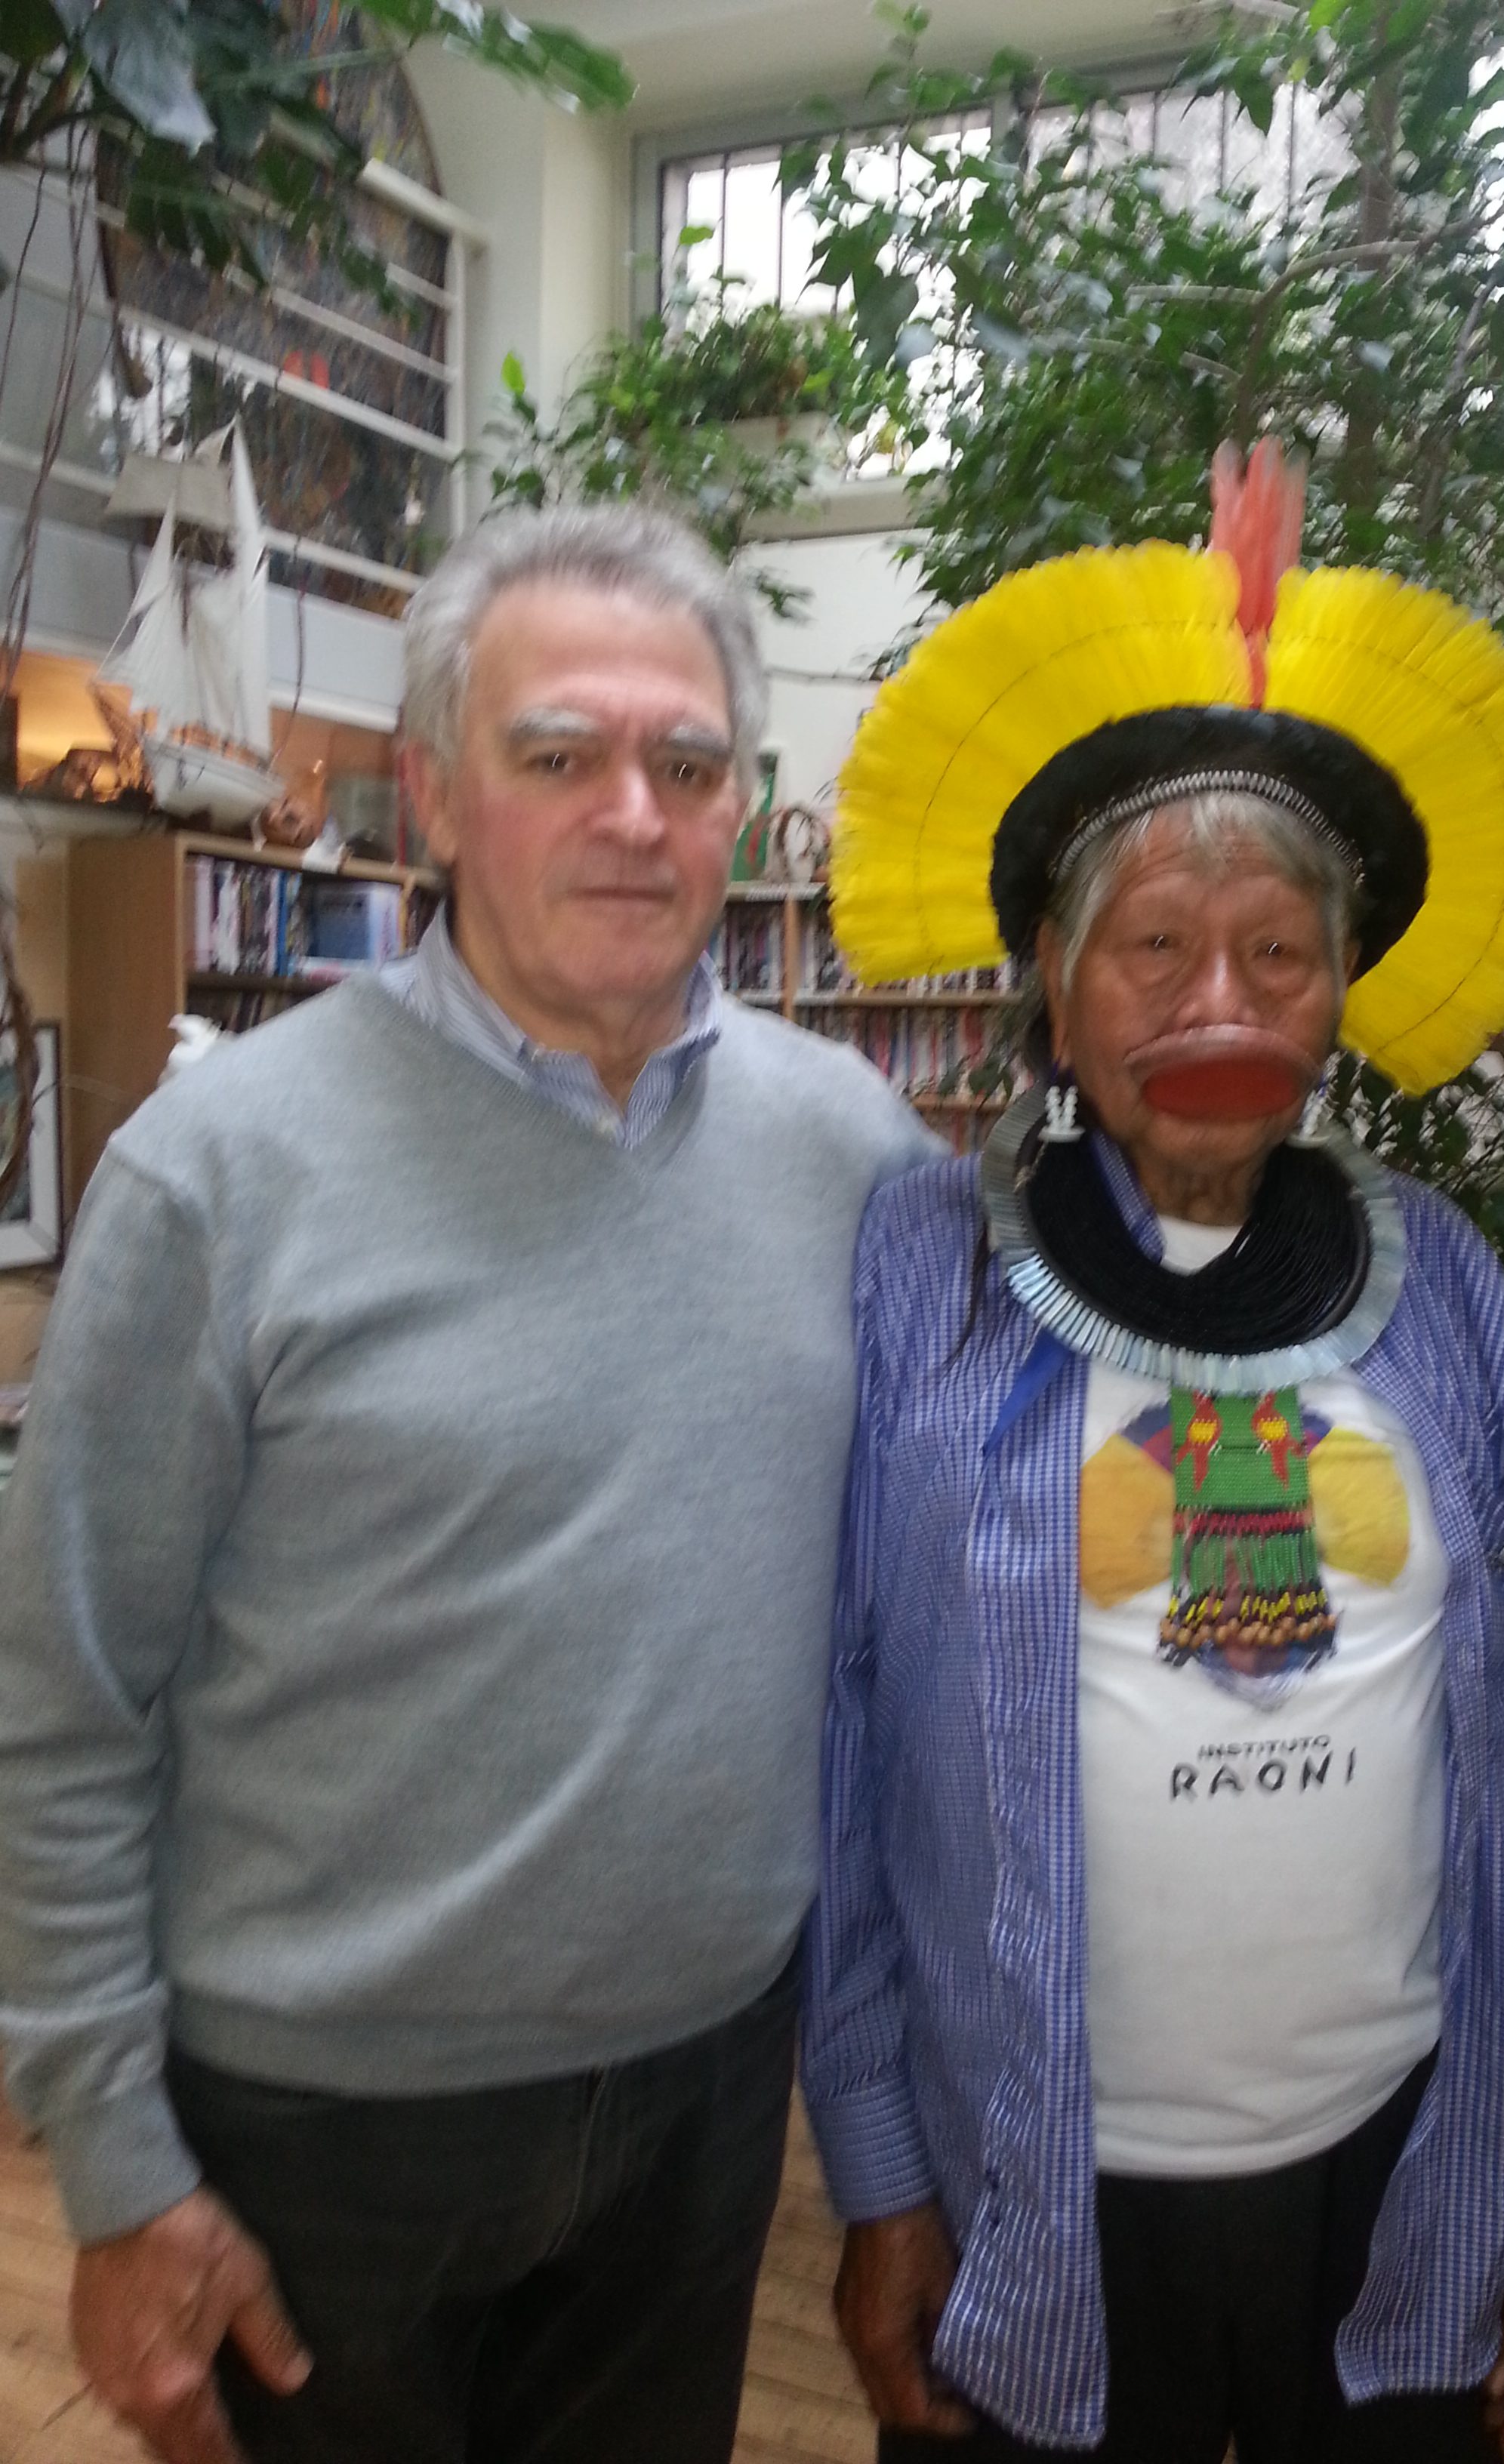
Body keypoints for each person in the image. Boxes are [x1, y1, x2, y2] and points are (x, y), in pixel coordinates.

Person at [0, 501, 929, 2464]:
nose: (634, 817)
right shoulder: (217, 1178)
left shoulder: (855, 1156)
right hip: (320, 2133)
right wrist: (115, 2163)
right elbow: (61, 1703)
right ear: (432, 795)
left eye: (689, 766)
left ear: (742, 810)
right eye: (557, 755)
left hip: (704, 2099)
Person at [802, 446, 1504, 2464]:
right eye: (1155, 947)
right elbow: (840, 1740)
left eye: (1278, 953)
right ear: (1053, 979)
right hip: (1034, 2203)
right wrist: (882, 2168)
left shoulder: (1445, 1285)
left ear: (1341, 987)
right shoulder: (917, 1275)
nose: (1220, 1004)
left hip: (1408, 2179)